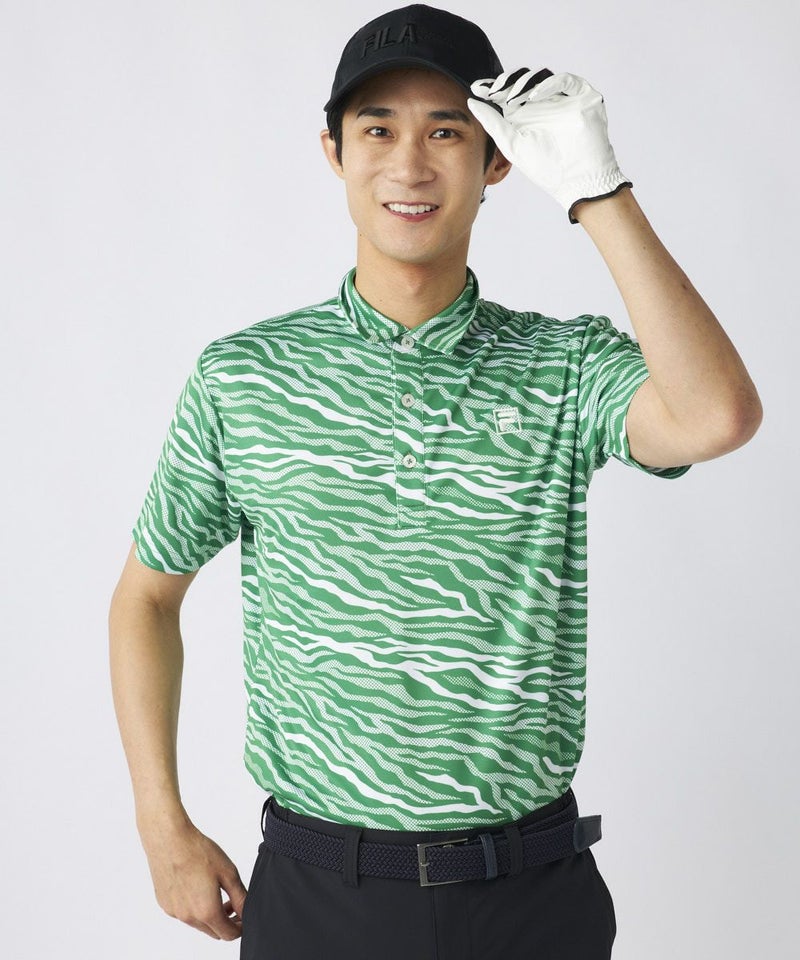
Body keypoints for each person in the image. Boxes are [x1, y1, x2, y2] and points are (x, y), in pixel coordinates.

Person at [108, 4, 762, 958]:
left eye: (447, 132)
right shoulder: (245, 378)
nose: (409, 165)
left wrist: (598, 191)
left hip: (530, 899)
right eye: (377, 129)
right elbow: (146, 597)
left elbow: (716, 416)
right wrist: (159, 822)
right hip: (320, 896)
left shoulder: (564, 367)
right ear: (333, 152)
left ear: (498, 161)